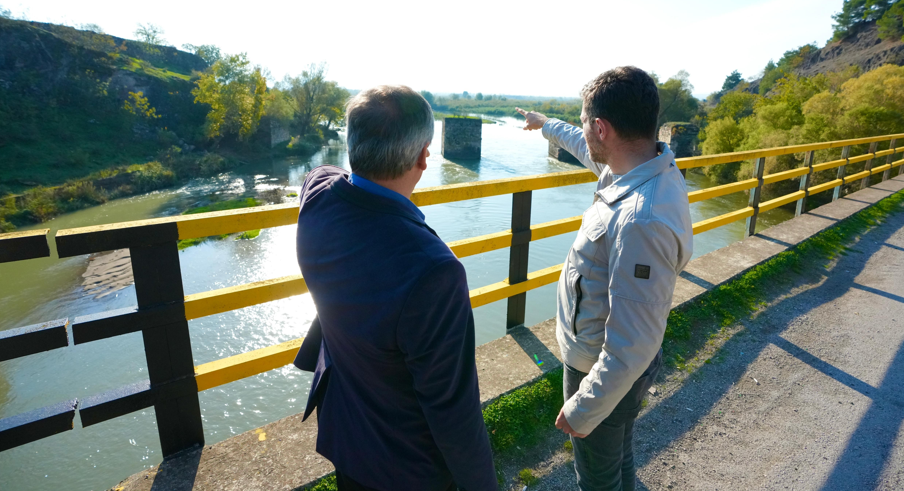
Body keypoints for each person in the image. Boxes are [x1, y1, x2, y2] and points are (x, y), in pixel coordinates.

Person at [295, 85, 498, 491]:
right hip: (407, 468)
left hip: (345, 435)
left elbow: (329, 174)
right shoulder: (432, 271)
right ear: (425, 156)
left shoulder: (316, 197)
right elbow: (452, 409)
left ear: (352, 144)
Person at [516, 66, 692, 491]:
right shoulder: (639, 168)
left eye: (584, 123)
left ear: (603, 128)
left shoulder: (640, 220)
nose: (583, 133)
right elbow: (583, 144)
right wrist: (547, 126)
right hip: (607, 362)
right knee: (619, 458)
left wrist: (583, 408)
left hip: (599, 367)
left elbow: (633, 344)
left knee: (596, 479)